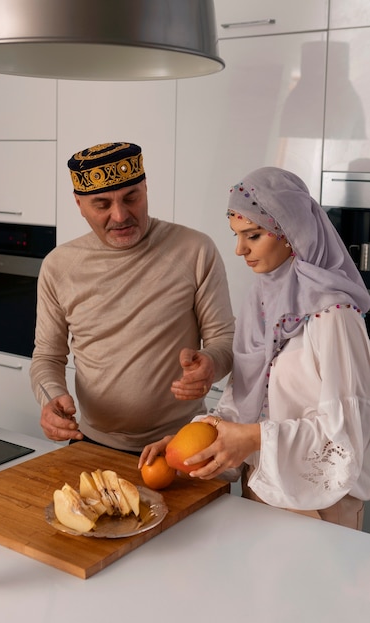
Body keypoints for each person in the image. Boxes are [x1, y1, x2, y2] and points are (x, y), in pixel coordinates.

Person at [139, 166, 370, 530]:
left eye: (253, 235)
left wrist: (254, 438)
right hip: (257, 492)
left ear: (291, 233)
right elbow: (244, 403)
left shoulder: (335, 316)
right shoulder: (260, 305)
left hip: (319, 507)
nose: (239, 249)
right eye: (236, 235)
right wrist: (187, 445)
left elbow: (346, 434)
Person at [30, 142, 234, 453]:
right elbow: (47, 356)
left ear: (146, 189)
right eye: (102, 204)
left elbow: (225, 340)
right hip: (91, 443)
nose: (121, 215)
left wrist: (210, 364)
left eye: (131, 198)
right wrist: (50, 397)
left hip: (181, 443)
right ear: (79, 204)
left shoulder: (195, 250)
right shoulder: (58, 266)